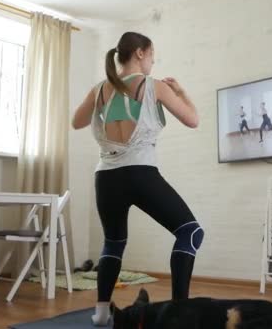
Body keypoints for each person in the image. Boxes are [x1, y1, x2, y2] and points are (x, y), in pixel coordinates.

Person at [71, 32, 204, 326]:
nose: (154, 60)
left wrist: (101, 97)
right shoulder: (154, 87)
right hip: (140, 174)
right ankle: (178, 312)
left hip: (106, 178)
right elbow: (194, 119)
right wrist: (180, 92)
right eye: (153, 54)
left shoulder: (99, 90)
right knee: (190, 232)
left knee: (113, 242)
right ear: (141, 53)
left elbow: (76, 122)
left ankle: (102, 312)